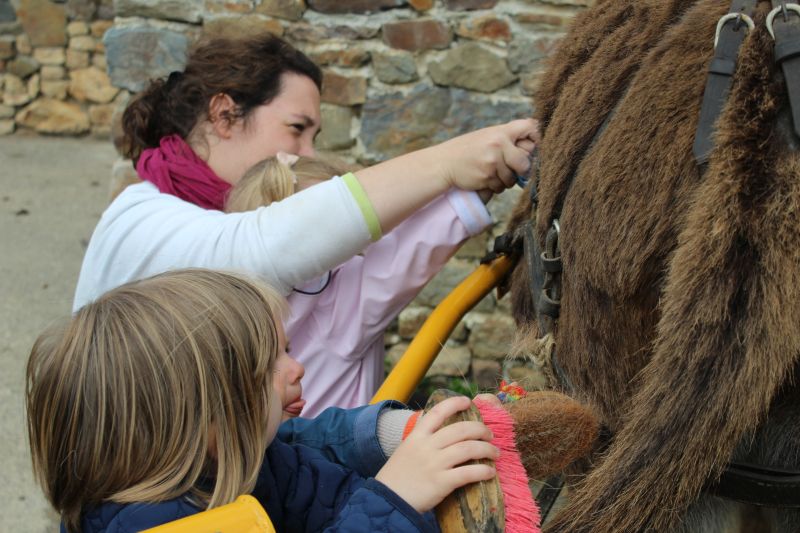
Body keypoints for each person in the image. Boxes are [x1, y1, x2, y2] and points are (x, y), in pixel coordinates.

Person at [72, 33, 538, 319]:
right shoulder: (141, 216)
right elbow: (263, 248)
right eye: (296, 129)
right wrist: (444, 163)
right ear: (225, 115)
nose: (307, 152)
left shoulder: (195, 210)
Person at [29, 269, 499, 533]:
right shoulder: (155, 526)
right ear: (209, 416)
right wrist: (392, 499)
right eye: (270, 364)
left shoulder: (233, 458)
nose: (295, 369)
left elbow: (305, 446)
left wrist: (392, 436)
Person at [227, 153, 497, 415]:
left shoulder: (236, 305)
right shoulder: (335, 302)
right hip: (338, 455)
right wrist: (482, 181)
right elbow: (408, 251)